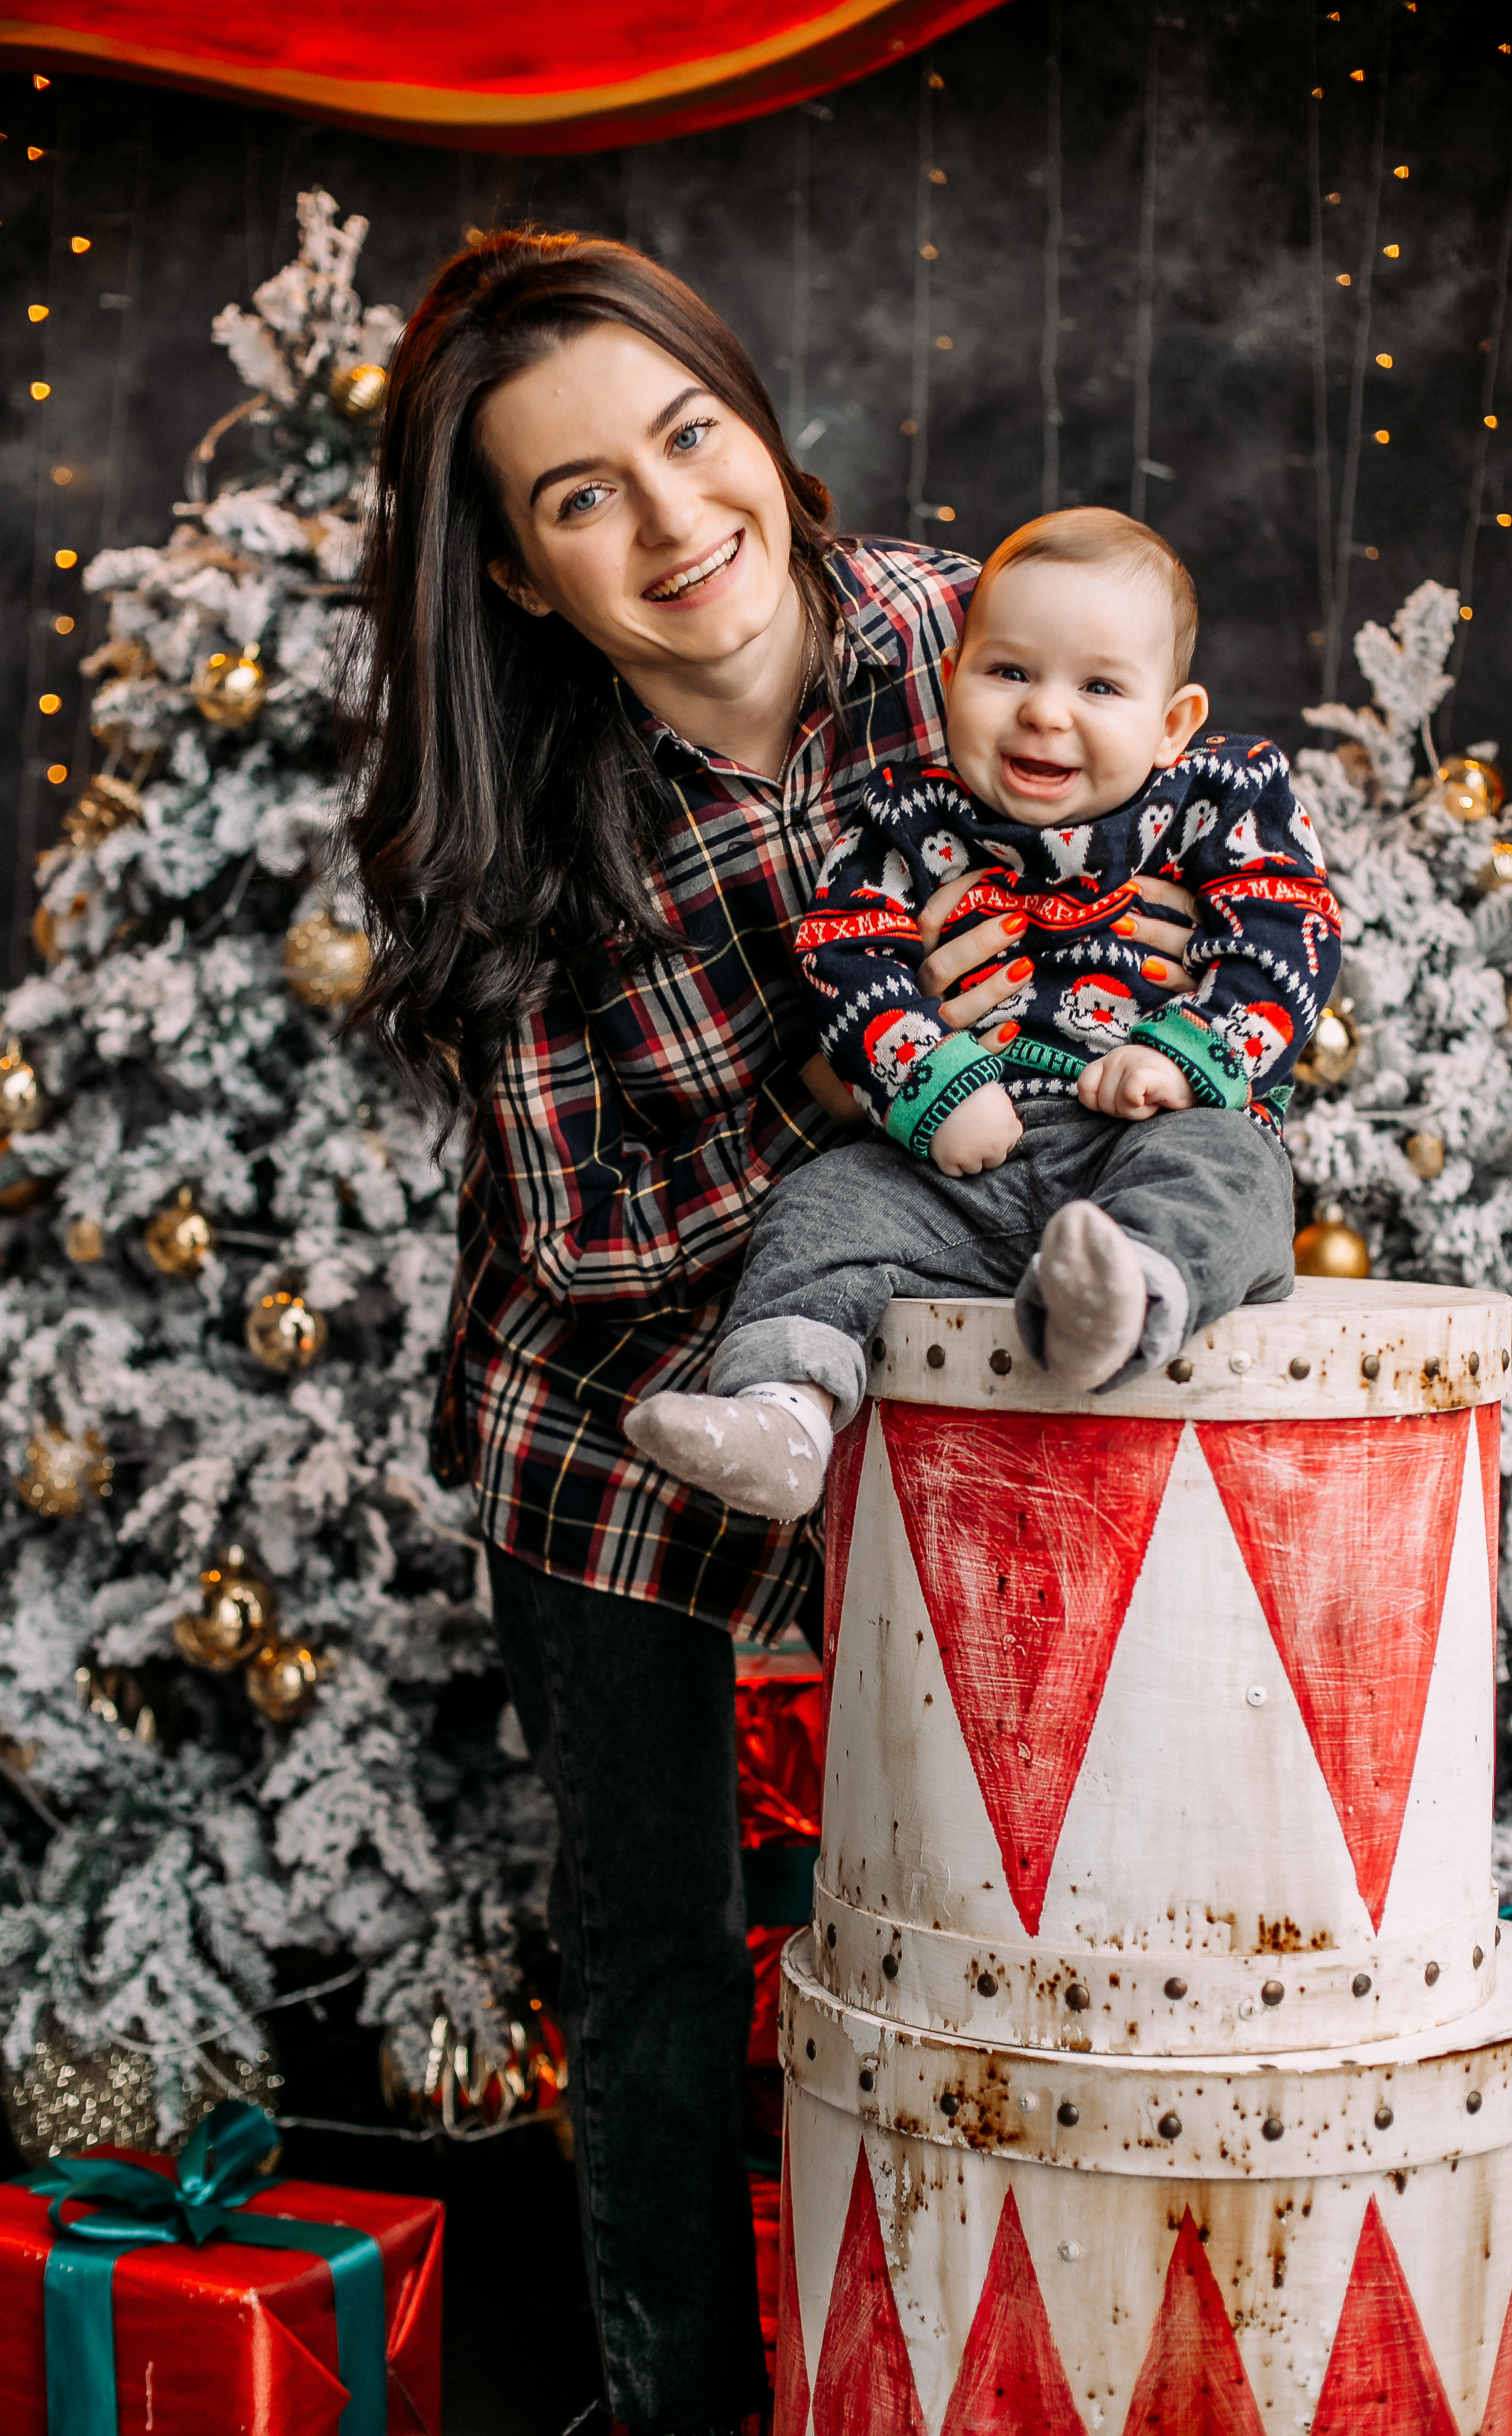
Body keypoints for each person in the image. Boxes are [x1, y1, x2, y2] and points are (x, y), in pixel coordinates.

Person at [345, 234, 1200, 2436]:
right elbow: (589, 1238)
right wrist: (876, 1093)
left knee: (987, 1915)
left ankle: (959, 2378)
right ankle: (682, 2402)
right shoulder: (508, 812)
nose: (673, 519)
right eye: (581, 498)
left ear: (755, 420)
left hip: (956, 1400)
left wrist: (1155, 1000)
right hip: (612, 1438)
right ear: (520, 574)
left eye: (689, 435)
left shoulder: (953, 638)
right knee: (655, 1957)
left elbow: (1180, 860)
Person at [627, 508, 1341, 1521]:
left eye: (1099, 688)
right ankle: (785, 1413)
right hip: (958, 1169)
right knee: (824, 1205)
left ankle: (1117, 1301)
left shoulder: (1219, 798)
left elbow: (1286, 927)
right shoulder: (909, 818)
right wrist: (931, 1081)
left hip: (1147, 1133)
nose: (1045, 713)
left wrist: (1187, 1054)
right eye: (1009, 673)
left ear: (1173, 722)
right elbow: (846, 952)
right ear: (953, 675)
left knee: (1230, 1171)